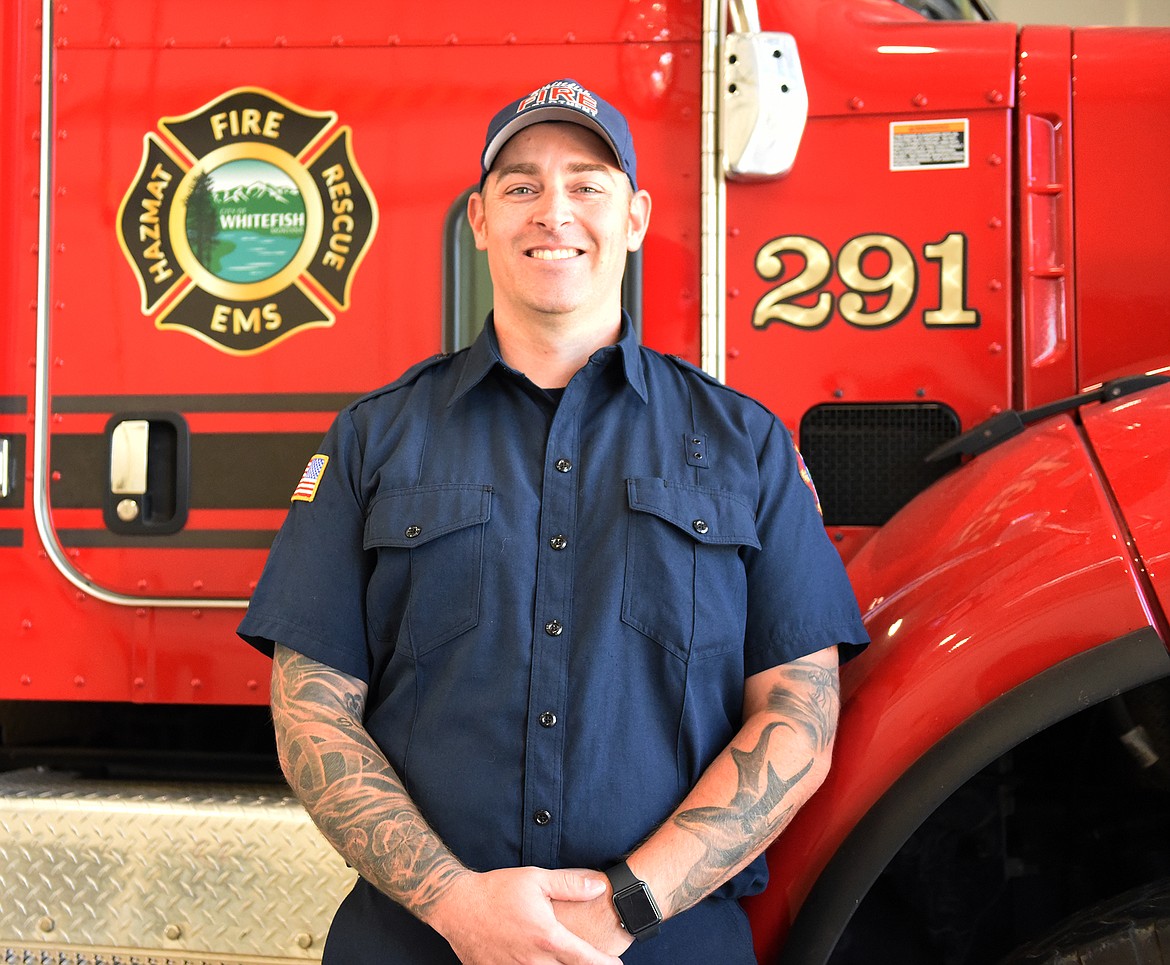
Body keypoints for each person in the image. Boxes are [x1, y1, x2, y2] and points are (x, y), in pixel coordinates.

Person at [238, 78, 869, 965]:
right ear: (480, 219)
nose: (554, 212)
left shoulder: (745, 444)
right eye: (522, 186)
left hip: (662, 947)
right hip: (421, 944)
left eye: (587, 183)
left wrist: (628, 906)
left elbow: (799, 714)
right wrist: (456, 904)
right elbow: (312, 713)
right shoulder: (374, 438)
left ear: (638, 217)